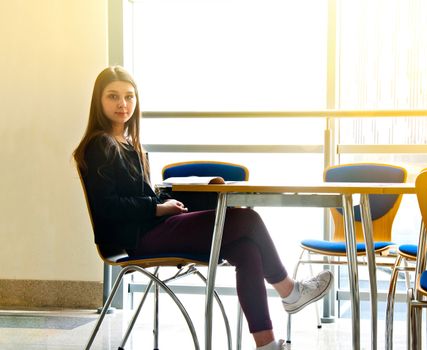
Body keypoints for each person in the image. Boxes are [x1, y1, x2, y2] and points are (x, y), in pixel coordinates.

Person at [73, 66, 333, 350]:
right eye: (113, 97)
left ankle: (266, 345)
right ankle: (290, 291)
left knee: (246, 248)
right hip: (135, 239)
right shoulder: (100, 145)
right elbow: (107, 207)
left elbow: (138, 195)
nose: (123, 104)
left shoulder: (130, 144)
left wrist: (181, 197)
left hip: (151, 228)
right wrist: (158, 209)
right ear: (98, 101)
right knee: (248, 220)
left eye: (129, 97)